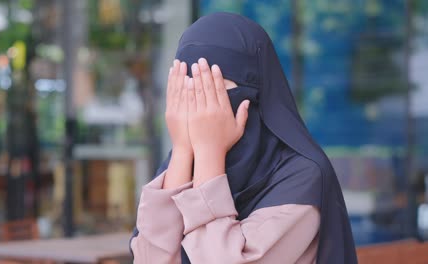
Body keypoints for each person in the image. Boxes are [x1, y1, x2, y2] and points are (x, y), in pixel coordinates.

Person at [129, 12, 357, 264]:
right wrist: (182, 150)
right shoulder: (184, 161)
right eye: (189, 89)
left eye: (215, 90)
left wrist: (209, 154)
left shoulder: (302, 177)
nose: (200, 109)